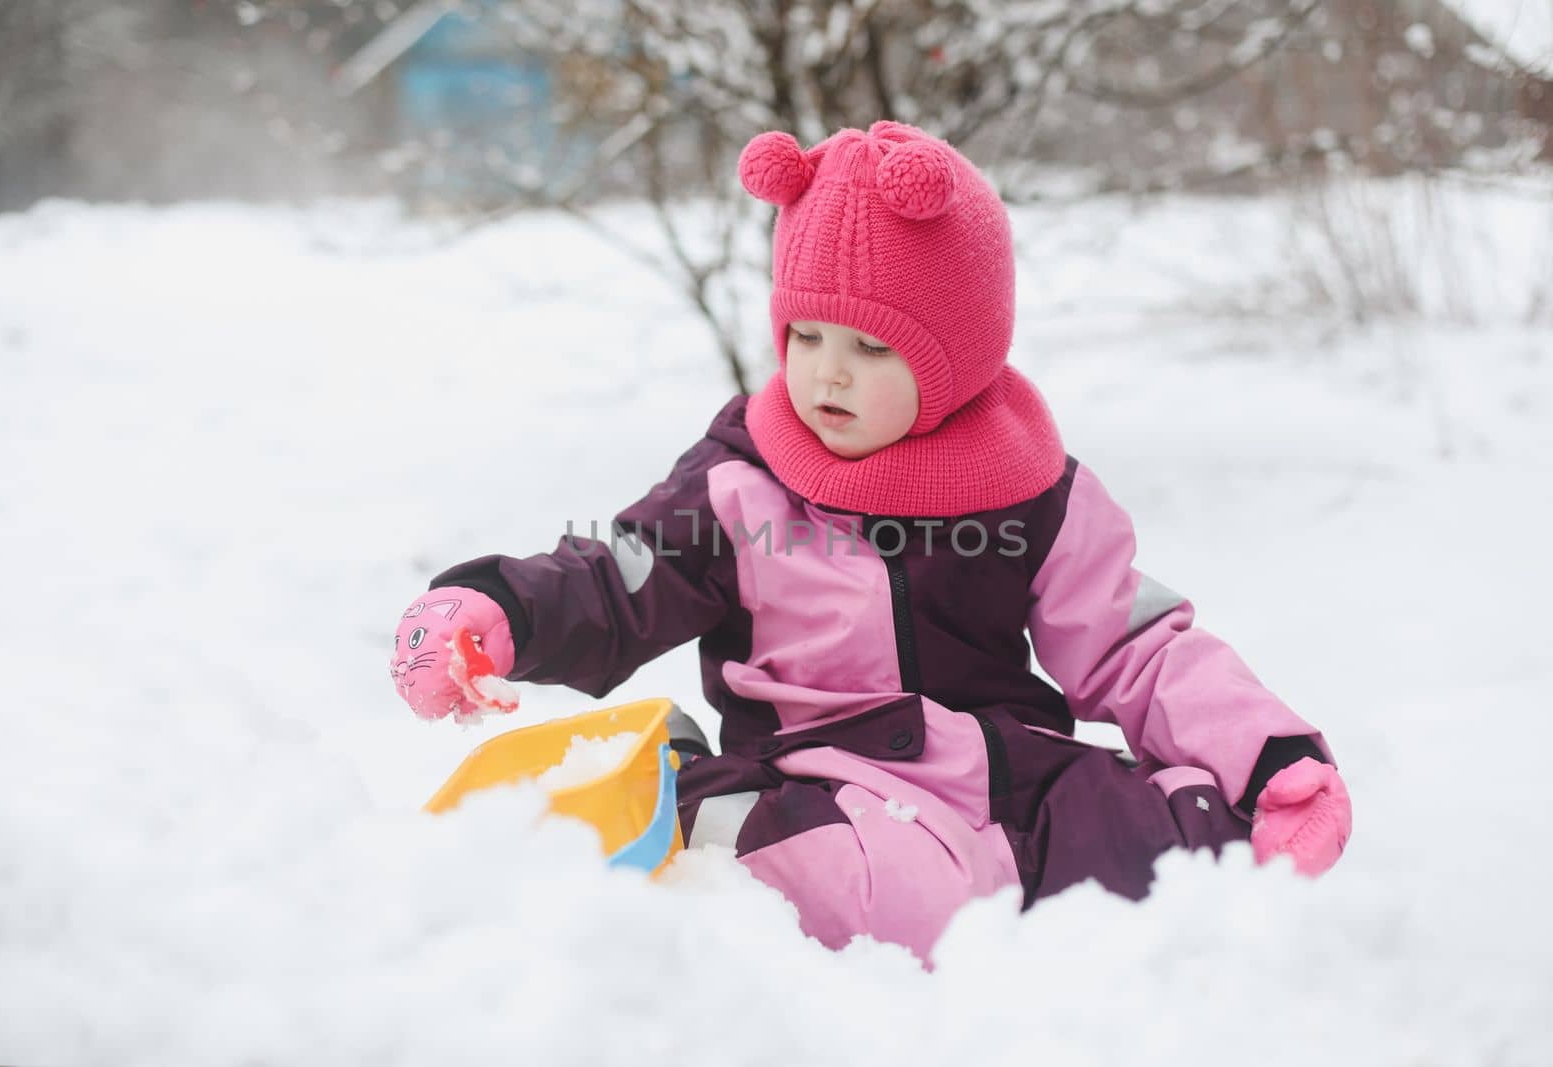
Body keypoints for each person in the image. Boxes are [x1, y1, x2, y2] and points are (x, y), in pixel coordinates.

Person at [389, 120, 1352, 963]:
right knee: (846, 873)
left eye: (873, 347)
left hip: (1005, 776)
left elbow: (1136, 646)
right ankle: (708, 834)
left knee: (1186, 848)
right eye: (805, 335)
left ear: (958, 350)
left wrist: (1268, 761)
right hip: (805, 777)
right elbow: (620, 576)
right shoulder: (744, 480)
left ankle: (1063, 886)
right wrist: (500, 608)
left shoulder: (1029, 489)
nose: (827, 376)